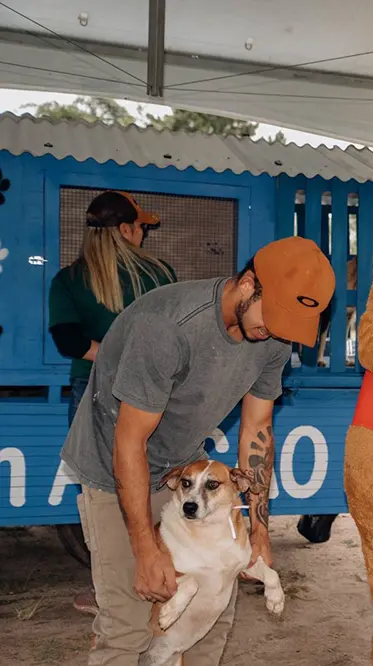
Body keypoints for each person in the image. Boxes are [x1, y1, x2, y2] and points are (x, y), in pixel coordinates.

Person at [59, 235, 335, 665]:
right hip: (113, 465)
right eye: (275, 317)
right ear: (247, 285)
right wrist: (145, 551)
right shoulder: (167, 327)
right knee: (130, 622)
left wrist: (259, 531)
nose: (276, 332)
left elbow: (257, 430)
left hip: (182, 469)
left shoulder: (273, 336)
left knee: (212, 614)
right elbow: (129, 442)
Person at [48, 190, 176, 617]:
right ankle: (161, 569)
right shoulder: (159, 274)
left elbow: (68, 341)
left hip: (92, 394)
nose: (143, 235)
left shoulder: (68, 280)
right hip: (153, 395)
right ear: (125, 230)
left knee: (102, 493)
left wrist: (110, 355)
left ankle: (108, 587)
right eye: (141, 227)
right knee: (154, 485)